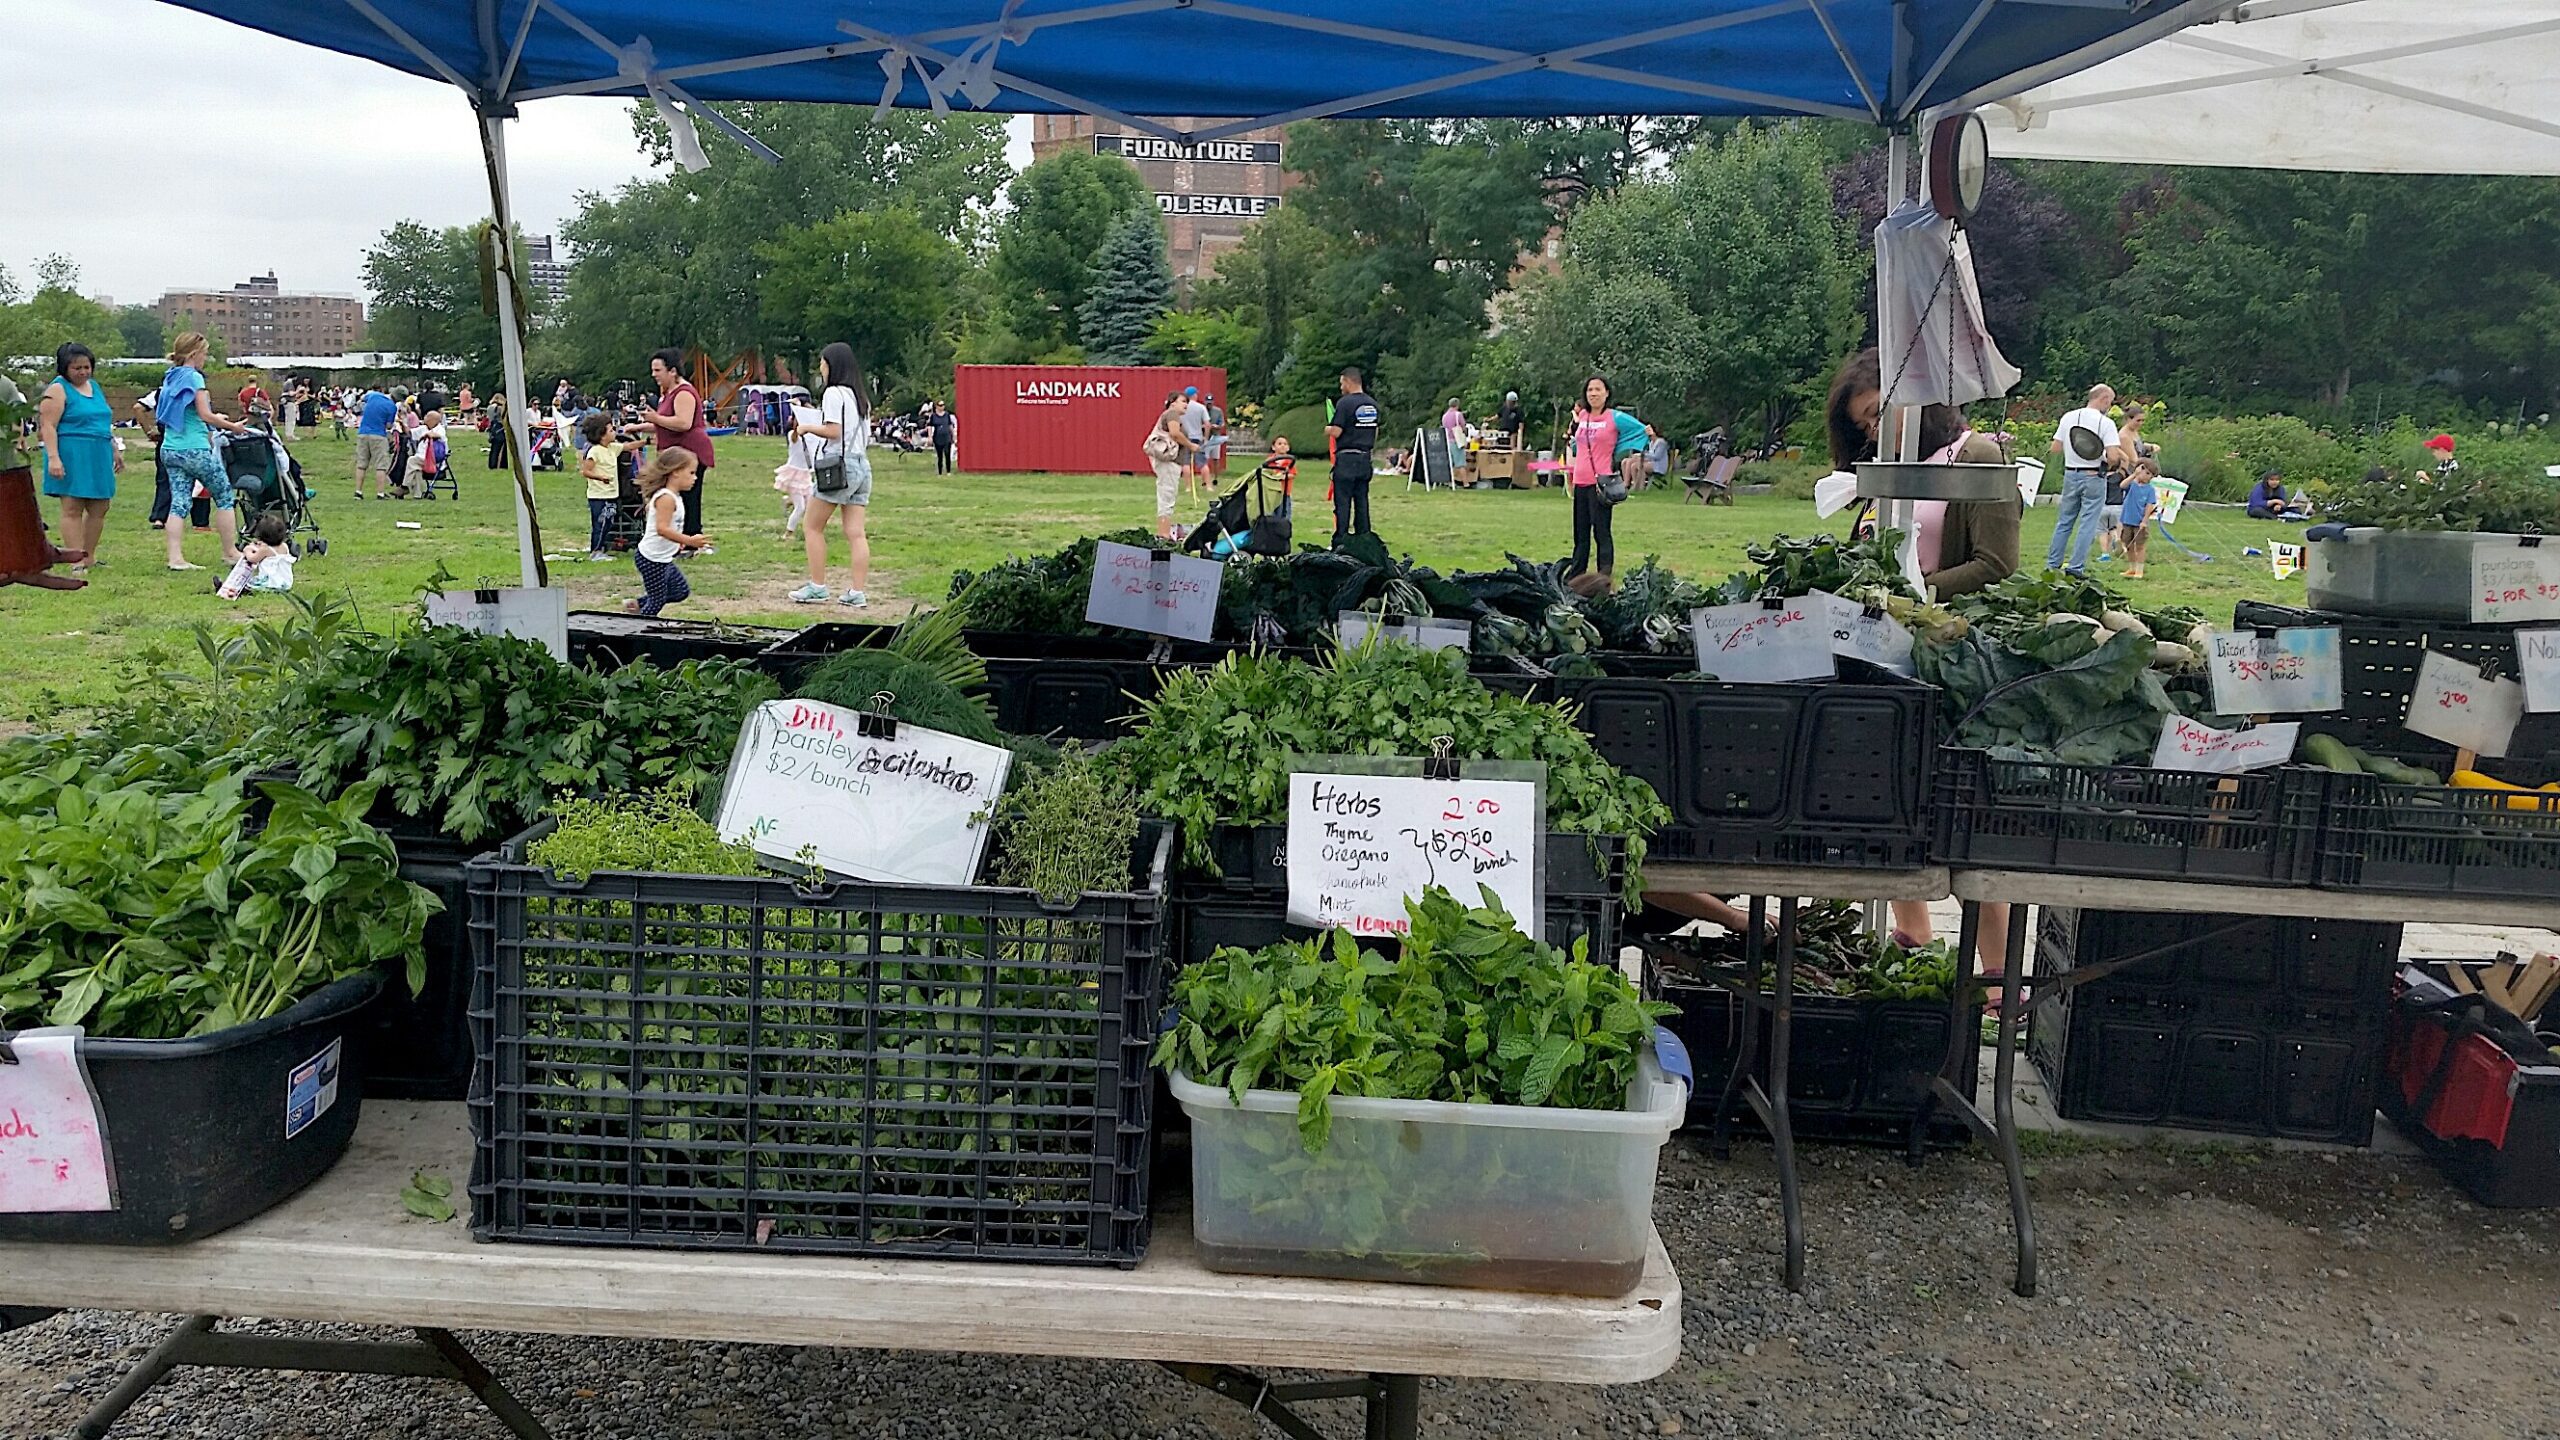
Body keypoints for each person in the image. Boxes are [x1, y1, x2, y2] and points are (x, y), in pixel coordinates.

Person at [152, 332, 253, 572]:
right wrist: (233, 427)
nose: (205, 359)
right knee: (224, 495)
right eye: (205, 354)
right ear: (194, 354)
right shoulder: (194, 377)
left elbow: (187, 413)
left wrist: (212, 418)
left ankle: (175, 558)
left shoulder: (171, 377)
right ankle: (230, 552)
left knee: (179, 502)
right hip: (194, 449)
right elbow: (205, 414)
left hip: (170, 449)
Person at [788, 341, 874, 607]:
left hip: (839, 466)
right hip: (862, 466)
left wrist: (806, 428)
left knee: (812, 526)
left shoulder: (834, 393)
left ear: (832, 365)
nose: (820, 368)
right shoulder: (860, 397)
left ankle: (817, 586)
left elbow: (834, 431)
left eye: (823, 363)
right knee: (856, 532)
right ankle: (857, 592)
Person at [35, 343, 119, 577]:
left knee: (100, 505)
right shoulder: (57, 390)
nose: (83, 372)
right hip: (72, 451)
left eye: (87, 367)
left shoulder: (94, 387)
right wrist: (53, 458)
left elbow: (101, 421)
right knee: (73, 505)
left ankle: (89, 555)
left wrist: (114, 448)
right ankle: (75, 558)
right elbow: (48, 426)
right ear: (65, 368)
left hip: (98, 451)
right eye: (77, 368)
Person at [1564, 376, 1646, 589]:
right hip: (1580, 481)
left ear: (1606, 393)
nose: (1593, 393)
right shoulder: (1583, 416)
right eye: (1590, 390)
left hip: (1600, 482)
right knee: (1580, 534)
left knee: (1601, 531)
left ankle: (1603, 576)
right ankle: (1576, 576)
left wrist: (1618, 450)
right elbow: (1576, 441)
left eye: (1598, 389)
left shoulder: (1614, 417)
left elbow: (1642, 430)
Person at [1923, 432, 2022, 599]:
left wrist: (1915, 591)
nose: (1875, 429)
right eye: (1864, 425)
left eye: (1875, 413)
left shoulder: (1980, 458)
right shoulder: (1889, 453)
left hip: (1942, 611)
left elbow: (1995, 565)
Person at [638, 348, 715, 538]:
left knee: (689, 498)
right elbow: (666, 424)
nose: (654, 375)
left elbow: (683, 422)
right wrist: (638, 426)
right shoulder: (668, 392)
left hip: (690, 452)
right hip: (674, 453)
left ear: (672, 371)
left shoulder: (684, 393)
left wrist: (655, 418)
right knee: (673, 495)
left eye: (658, 370)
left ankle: (692, 539)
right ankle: (676, 535)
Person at [2044, 385, 2119, 575]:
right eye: (2109, 401)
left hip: (2071, 473)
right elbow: (2113, 457)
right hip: (2094, 476)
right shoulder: (2106, 423)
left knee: (2064, 522)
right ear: (2103, 399)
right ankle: (2076, 567)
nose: (2109, 406)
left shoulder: (2068, 417)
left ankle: (2052, 565)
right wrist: (2102, 456)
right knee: (2088, 523)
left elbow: (2055, 448)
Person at [627, 448, 705, 615]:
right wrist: (689, 540)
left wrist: (679, 542)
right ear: (675, 472)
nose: (695, 478)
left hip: (663, 558)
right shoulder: (666, 498)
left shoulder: (675, 496)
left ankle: (636, 605)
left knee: (680, 591)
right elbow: (662, 529)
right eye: (691, 473)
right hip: (652, 558)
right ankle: (640, 629)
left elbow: (672, 526)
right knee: (657, 601)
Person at [1326, 368, 1380, 547]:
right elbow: (1375, 431)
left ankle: (1341, 540)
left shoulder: (1345, 403)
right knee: (1362, 501)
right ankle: (1364, 538)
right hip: (1365, 458)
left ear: (1349, 382)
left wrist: (1327, 429)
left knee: (1342, 502)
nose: (1341, 387)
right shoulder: (1372, 404)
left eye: (1342, 383)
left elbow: (1337, 431)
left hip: (1347, 458)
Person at [216, 512, 296, 598]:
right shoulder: (284, 546)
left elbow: (252, 559)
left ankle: (233, 589)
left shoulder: (265, 550)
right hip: (285, 582)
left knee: (249, 583)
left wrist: (247, 550)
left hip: (271, 582)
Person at [578, 412, 623, 562]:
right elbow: (585, 471)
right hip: (599, 496)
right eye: (611, 430)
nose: (614, 432)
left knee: (608, 523)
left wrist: (647, 441)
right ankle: (595, 551)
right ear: (602, 435)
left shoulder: (611, 448)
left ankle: (600, 547)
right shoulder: (595, 451)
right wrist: (600, 477)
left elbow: (628, 446)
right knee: (600, 524)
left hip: (611, 495)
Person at [1145, 390, 1189, 540]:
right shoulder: (1172, 414)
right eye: (1183, 401)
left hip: (1170, 463)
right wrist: (1191, 445)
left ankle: (1165, 530)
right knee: (1167, 494)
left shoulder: (1171, 415)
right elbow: (1175, 433)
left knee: (1168, 494)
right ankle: (1163, 533)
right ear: (1173, 402)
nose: (1186, 405)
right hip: (1168, 462)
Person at [2119, 460, 2161, 580]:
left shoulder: (2150, 490)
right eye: (2145, 472)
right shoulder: (2132, 485)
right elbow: (2122, 486)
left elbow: (2149, 505)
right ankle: (2131, 568)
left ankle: (2139, 570)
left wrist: (2144, 520)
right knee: (2128, 544)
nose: (2146, 476)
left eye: (2149, 474)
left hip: (2139, 522)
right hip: (2127, 519)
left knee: (2140, 546)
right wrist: (2134, 475)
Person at [1180, 386, 1212, 500]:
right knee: (1202, 463)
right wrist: (1205, 437)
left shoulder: (1182, 408)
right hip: (1197, 438)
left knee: (1186, 463)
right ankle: (1208, 486)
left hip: (1184, 438)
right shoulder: (1200, 407)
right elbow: (1207, 424)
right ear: (1194, 395)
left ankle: (1188, 487)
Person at [931, 401, 957, 476]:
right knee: (939, 455)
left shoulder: (947, 415)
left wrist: (953, 435)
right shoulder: (934, 416)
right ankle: (940, 472)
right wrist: (930, 436)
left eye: (943, 405)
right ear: (937, 406)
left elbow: (950, 425)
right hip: (937, 437)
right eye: (940, 405)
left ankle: (948, 471)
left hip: (946, 436)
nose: (942, 407)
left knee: (947, 453)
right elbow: (930, 426)